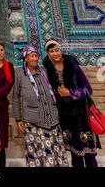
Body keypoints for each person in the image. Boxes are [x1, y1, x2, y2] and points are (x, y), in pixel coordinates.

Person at [43, 39, 101, 168]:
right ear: (47, 54)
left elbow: (88, 89)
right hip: (65, 117)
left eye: (57, 50)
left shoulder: (73, 66)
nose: (55, 53)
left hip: (81, 114)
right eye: (51, 51)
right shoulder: (47, 71)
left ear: (61, 50)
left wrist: (70, 93)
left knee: (89, 153)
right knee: (75, 154)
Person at [12, 45, 68, 167]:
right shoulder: (20, 73)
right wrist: (18, 118)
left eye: (36, 56)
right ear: (25, 58)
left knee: (56, 155)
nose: (35, 58)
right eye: (32, 56)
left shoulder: (44, 71)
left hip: (53, 120)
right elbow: (15, 97)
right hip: (34, 123)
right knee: (38, 157)